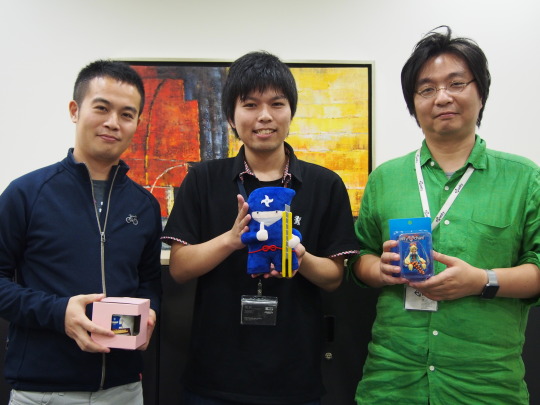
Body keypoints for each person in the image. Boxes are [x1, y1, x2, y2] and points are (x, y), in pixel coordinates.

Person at [350, 26, 540, 404]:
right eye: (426, 89)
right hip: (392, 381)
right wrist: (378, 269)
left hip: (485, 385)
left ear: (481, 93)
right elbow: (358, 256)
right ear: (413, 103)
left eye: (456, 83)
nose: (442, 97)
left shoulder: (524, 178)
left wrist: (481, 280)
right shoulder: (385, 178)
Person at [162, 51, 359, 404]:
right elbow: (179, 268)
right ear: (231, 117)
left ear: (291, 113)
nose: (264, 116)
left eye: (277, 104)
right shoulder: (203, 180)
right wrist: (230, 240)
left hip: (294, 376)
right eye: (250, 105)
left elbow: (334, 277)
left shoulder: (324, 184)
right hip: (214, 375)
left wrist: (300, 256)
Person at [0, 60, 162, 405]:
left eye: (126, 114)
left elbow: (149, 282)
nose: (113, 123)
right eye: (101, 108)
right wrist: (59, 312)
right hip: (42, 391)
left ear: (137, 123)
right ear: (75, 110)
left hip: (124, 390)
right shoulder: (26, 194)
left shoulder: (145, 205)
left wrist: (151, 312)